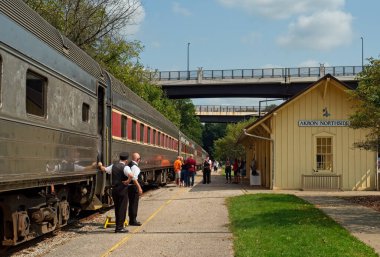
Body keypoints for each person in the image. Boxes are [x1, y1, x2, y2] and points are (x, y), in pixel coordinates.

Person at [98, 152, 133, 233]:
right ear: (126, 160)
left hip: (114, 189)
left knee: (117, 208)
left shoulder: (113, 166)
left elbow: (104, 169)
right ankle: (120, 228)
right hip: (122, 190)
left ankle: (118, 226)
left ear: (119, 158)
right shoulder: (126, 167)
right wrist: (127, 181)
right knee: (122, 208)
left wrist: (100, 165)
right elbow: (131, 175)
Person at [127, 152, 143, 226]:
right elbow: (134, 178)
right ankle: (133, 220)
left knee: (131, 203)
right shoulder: (135, 167)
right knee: (134, 203)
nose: (140, 161)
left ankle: (131, 219)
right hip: (134, 187)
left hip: (129, 187)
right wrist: (139, 188)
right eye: (140, 159)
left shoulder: (129, 165)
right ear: (137, 159)